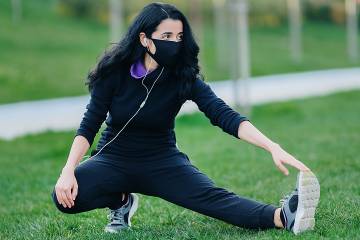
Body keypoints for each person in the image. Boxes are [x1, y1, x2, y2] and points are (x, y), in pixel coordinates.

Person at [51, 2, 320, 235]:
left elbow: (223, 115)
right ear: (145, 39)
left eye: (179, 37)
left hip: (161, 161)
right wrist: (68, 171)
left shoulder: (183, 77)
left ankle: (283, 216)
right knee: (63, 197)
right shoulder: (114, 72)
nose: (174, 43)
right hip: (114, 158)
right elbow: (90, 124)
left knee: (213, 199)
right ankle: (121, 201)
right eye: (166, 35)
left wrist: (272, 146)